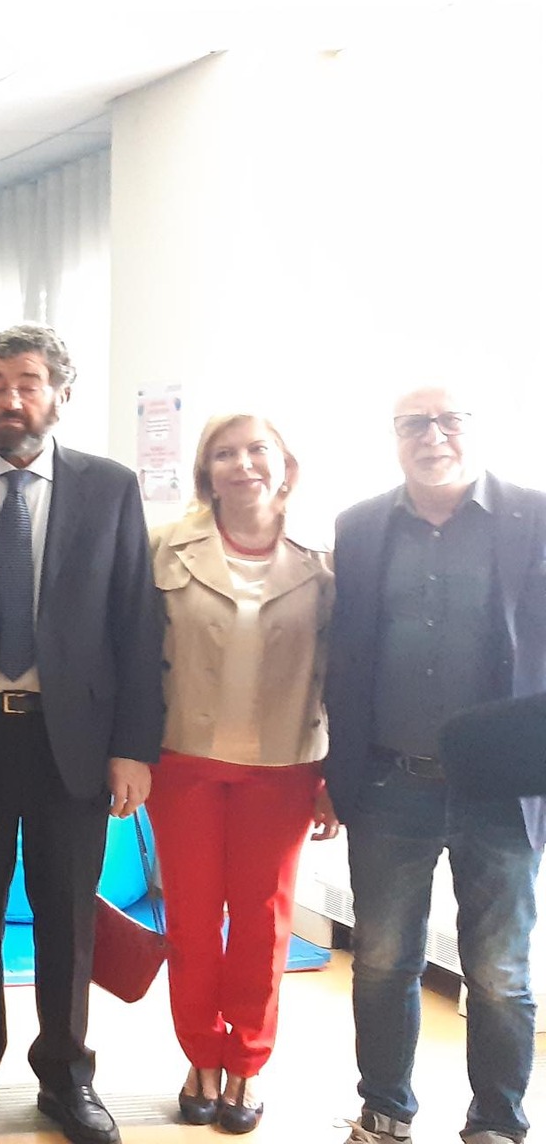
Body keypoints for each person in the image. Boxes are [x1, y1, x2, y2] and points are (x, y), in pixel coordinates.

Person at [0, 324, 163, 1144]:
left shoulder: (109, 488)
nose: (11, 399)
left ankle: (66, 1076)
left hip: (71, 744)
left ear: (59, 394)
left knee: (68, 919)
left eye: (29, 383)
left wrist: (133, 748)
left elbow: (137, 625)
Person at [327, 387, 546, 1144]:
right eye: (414, 423)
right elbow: (345, 653)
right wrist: (333, 769)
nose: (434, 436)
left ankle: (497, 1122)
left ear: (477, 428)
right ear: (395, 436)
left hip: (504, 793)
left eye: (451, 420)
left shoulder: (535, 516)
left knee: (501, 972)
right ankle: (385, 1111)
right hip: (390, 783)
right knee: (383, 961)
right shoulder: (358, 526)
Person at [144, 414, 337, 1135]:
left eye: (258, 450)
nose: (243, 463)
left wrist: (337, 775)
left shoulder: (326, 556)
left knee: (264, 925)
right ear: (206, 472)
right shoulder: (165, 545)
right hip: (183, 760)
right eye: (224, 453)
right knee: (192, 921)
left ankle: (247, 1063)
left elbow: (344, 669)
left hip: (285, 765)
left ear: (285, 464)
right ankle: (200, 1054)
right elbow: (135, 656)